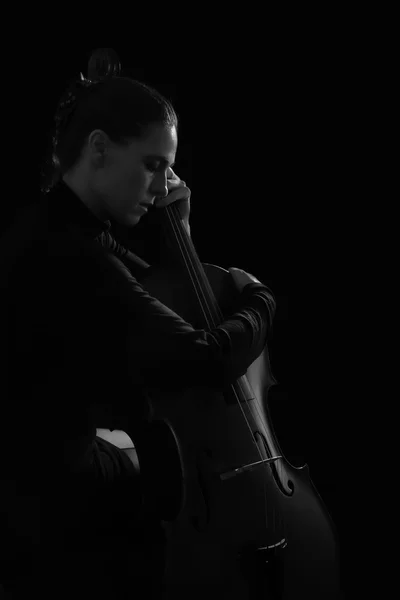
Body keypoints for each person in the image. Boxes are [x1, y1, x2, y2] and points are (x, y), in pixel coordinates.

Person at [0, 73, 276, 599]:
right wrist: (262, 301)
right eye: (153, 166)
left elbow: (145, 288)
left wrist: (184, 233)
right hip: (49, 521)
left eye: (168, 170)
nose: (162, 187)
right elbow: (208, 356)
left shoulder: (53, 228)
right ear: (99, 149)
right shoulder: (75, 256)